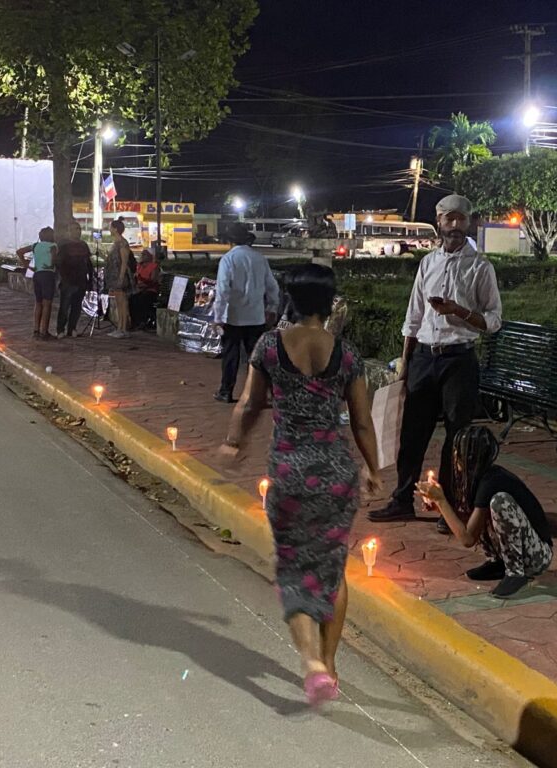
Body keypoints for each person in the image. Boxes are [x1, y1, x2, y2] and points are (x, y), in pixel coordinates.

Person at [219, 264, 382, 706]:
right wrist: (373, 468)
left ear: (289, 299)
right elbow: (362, 422)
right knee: (333, 569)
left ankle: (312, 663)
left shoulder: (270, 346)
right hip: (336, 474)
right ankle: (330, 663)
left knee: (294, 567)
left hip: (291, 473)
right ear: (329, 303)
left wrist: (233, 442)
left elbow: (250, 403)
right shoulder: (346, 354)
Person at [369, 194, 502, 528]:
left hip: (459, 359)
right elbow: (413, 316)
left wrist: (459, 311)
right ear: (439, 221)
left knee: (457, 438)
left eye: (461, 219)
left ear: (469, 222)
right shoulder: (428, 263)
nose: (455, 225)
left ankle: (449, 507)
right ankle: (402, 499)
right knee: (413, 434)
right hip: (424, 358)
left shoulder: (480, 267)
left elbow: (493, 320)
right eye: (449, 218)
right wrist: (405, 362)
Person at [416, 426, 552, 598]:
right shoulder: (476, 478)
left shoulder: (492, 481)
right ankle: (498, 563)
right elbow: (468, 524)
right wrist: (438, 507)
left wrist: (441, 500)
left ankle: (515, 573)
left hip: (537, 557)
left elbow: (468, 539)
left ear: (470, 457)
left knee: (500, 502)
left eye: (459, 451)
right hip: (524, 552)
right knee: (477, 512)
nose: (455, 455)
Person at [212, 222, 280, 403]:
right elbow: (272, 287)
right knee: (258, 358)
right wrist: (272, 308)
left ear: (230, 241)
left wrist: (218, 317)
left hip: (233, 317)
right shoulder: (259, 258)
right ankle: (266, 393)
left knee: (230, 356)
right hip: (256, 316)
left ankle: (226, 391)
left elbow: (222, 291)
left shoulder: (228, 259)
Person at [16, 226, 58, 340]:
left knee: (38, 302)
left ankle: (36, 330)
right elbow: (54, 260)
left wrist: (27, 265)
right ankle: (44, 331)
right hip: (48, 275)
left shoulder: (35, 246)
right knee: (47, 303)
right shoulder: (53, 246)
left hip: (37, 275)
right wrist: (51, 265)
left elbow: (19, 252)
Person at [55, 221, 94, 338]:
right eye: (75, 229)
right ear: (69, 231)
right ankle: (60, 329)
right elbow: (59, 263)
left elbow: (88, 263)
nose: (78, 232)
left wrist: (90, 279)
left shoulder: (83, 245)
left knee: (77, 306)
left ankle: (72, 328)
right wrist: (64, 276)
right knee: (64, 306)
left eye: (79, 229)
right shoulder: (64, 245)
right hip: (68, 280)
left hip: (81, 280)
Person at [104, 218, 133, 339]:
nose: (109, 229)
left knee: (122, 302)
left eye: (111, 227)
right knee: (118, 302)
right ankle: (119, 327)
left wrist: (121, 277)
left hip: (119, 276)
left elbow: (124, 262)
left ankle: (123, 328)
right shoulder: (116, 242)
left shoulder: (122, 243)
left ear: (115, 229)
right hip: (114, 276)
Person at [129, 248, 161, 331]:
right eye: (142, 254)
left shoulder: (154, 266)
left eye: (144, 254)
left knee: (143, 299)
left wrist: (143, 283)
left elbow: (153, 281)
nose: (142, 256)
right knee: (132, 299)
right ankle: (135, 322)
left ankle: (142, 321)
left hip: (150, 290)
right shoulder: (139, 265)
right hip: (140, 289)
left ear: (150, 256)